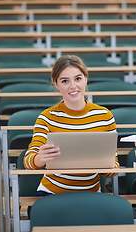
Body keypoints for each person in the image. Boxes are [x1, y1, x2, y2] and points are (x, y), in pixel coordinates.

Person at [24, 54, 119, 197]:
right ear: (56, 84)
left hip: (92, 194)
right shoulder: (47, 118)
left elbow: (113, 168)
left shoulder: (104, 116)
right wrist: (40, 158)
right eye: (65, 81)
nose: (73, 86)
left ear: (86, 79)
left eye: (78, 79)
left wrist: (108, 166)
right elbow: (28, 161)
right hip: (52, 193)